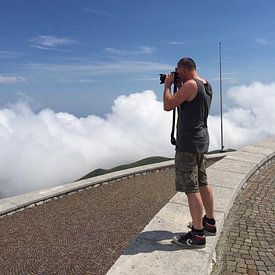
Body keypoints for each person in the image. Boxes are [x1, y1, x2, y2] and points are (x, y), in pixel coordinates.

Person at [163, 57, 216, 249]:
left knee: (191, 188)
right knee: (203, 182)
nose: (176, 73)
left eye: (178, 70)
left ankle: (197, 234)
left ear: (184, 69)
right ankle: (209, 223)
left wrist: (168, 86)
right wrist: (179, 83)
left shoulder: (190, 85)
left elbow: (168, 105)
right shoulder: (206, 84)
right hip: (202, 141)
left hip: (188, 144)